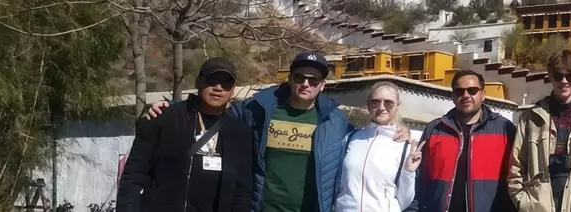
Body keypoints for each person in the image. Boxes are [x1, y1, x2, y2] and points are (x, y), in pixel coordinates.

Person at [145, 51, 407, 212]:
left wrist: (399, 130)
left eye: (313, 80)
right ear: (290, 78)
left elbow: (365, 142)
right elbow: (214, 109)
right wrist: (171, 108)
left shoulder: (335, 121)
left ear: (322, 85)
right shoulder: (259, 109)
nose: (305, 83)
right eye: (299, 77)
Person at [117, 57, 252, 212]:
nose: (218, 87)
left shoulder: (240, 132)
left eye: (226, 83)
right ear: (198, 82)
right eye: (212, 79)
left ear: (233, 90)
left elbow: (242, 191)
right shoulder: (164, 118)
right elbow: (134, 175)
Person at [509, 50, 571, 212]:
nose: (564, 81)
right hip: (538, 207)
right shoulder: (530, 118)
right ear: (550, 76)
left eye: (570, 76)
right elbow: (516, 166)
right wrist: (523, 202)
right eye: (558, 75)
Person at [407, 70, 516, 212]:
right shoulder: (435, 129)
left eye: (472, 90)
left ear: (483, 95)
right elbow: (419, 178)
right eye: (459, 91)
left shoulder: (504, 129)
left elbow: (517, 177)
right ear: (453, 96)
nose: (466, 95)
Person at [335, 81, 423, 212]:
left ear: (397, 106)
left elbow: (405, 199)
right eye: (375, 102)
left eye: (389, 103)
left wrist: (409, 171)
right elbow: (338, 182)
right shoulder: (351, 138)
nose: (382, 107)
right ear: (369, 105)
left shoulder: (405, 146)